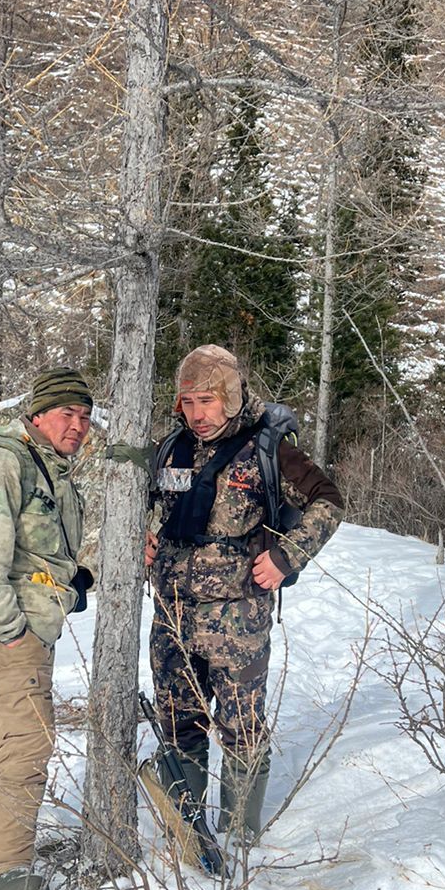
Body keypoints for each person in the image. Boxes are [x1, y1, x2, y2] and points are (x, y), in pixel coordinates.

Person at [145, 344, 343, 846]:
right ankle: (186, 833)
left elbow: (329, 501)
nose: (197, 414)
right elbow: (159, 508)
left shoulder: (268, 449)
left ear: (230, 397)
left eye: (207, 401)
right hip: (171, 617)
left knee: (242, 730)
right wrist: (146, 536)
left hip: (238, 622)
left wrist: (287, 557)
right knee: (177, 724)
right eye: (187, 403)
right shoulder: (173, 448)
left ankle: (238, 836)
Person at [0, 367, 93, 890]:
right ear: (38, 416)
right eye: (66, 414)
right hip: (9, 630)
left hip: (26, 624)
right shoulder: (4, 464)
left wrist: (72, 583)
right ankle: (6, 869)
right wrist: (11, 630)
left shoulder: (45, 467)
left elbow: (39, 553)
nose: (77, 426)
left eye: (84, 417)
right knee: (28, 741)